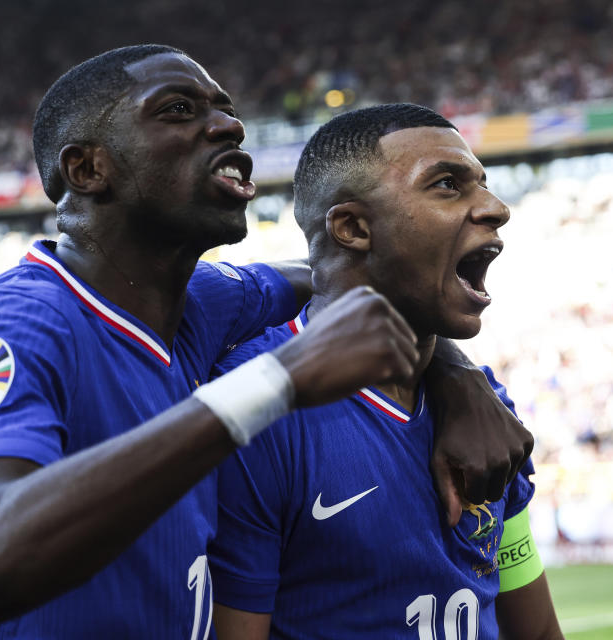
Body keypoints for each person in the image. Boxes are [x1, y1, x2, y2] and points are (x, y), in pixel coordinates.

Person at [0, 47, 532, 638]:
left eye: (224, 108)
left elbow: (352, 275)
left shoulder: (203, 306)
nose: (229, 125)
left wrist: (456, 375)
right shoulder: (21, 323)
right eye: (177, 109)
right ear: (89, 170)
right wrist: (277, 382)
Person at [209, 104, 562, 639]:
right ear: (352, 227)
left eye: (484, 184)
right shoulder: (257, 410)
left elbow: (532, 629)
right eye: (448, 185)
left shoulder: (483, 404)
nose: (495, 208)